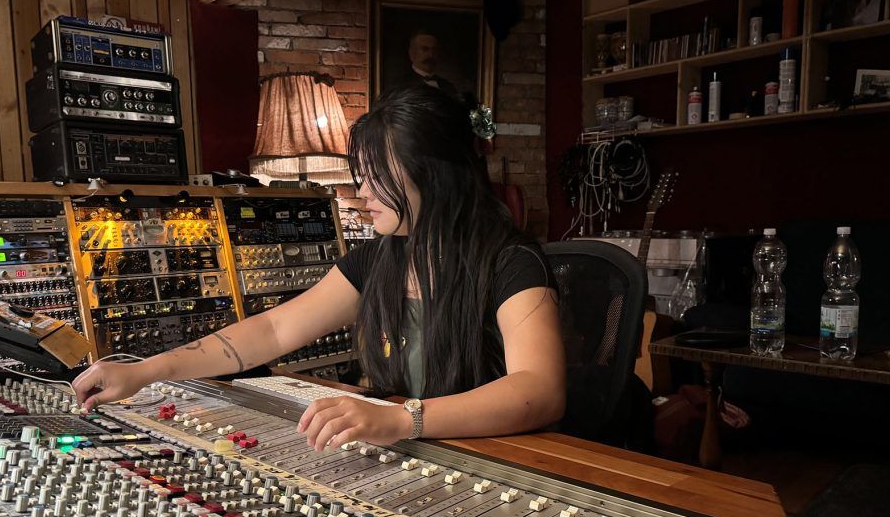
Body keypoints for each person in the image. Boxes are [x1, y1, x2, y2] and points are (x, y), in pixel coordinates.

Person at [72, 85, 565, 451]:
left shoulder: (511, 263)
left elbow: (539, 389)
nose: (363, 192)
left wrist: (403, 419)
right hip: (415, 448)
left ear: (435, 178)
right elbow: (271, 330)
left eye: (377, 177)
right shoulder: (378, 258)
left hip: (495, 454)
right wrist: (145, 371)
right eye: (361, 176)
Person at [399, 30, 459, 97]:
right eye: (425, 49)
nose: (431, 55)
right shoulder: (401, 85)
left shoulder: (448, 86)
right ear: (412, 54)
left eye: (434, 50)